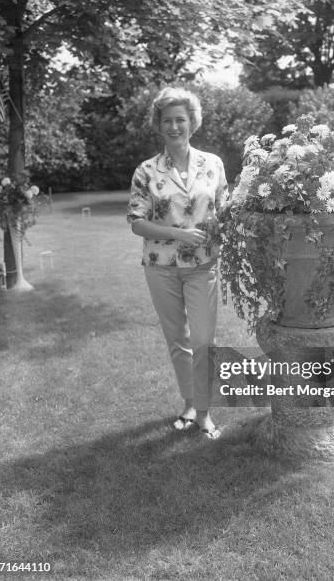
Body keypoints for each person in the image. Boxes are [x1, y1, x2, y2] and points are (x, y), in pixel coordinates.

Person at [127, 87, 229, 439]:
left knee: (203, 340)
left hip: (203, 265)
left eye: (180, 120)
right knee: (179, 340)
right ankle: (191, 405)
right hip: (161, 266)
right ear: (159, 124)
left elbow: (225, 210)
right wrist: (178, 234)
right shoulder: (146, 170)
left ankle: (204, 412)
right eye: (167, 120)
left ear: (192, 123)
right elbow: (137, 222)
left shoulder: (213, 164)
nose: (174, 126)